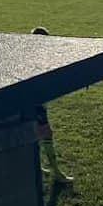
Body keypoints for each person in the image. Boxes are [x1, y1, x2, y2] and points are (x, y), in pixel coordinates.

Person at [31, 27, 72, 188]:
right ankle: (56, 172)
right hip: (36, 103)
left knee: (36, 133)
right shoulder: (37, 58)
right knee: (46, 132)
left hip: (34, 102)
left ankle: (37, 166)